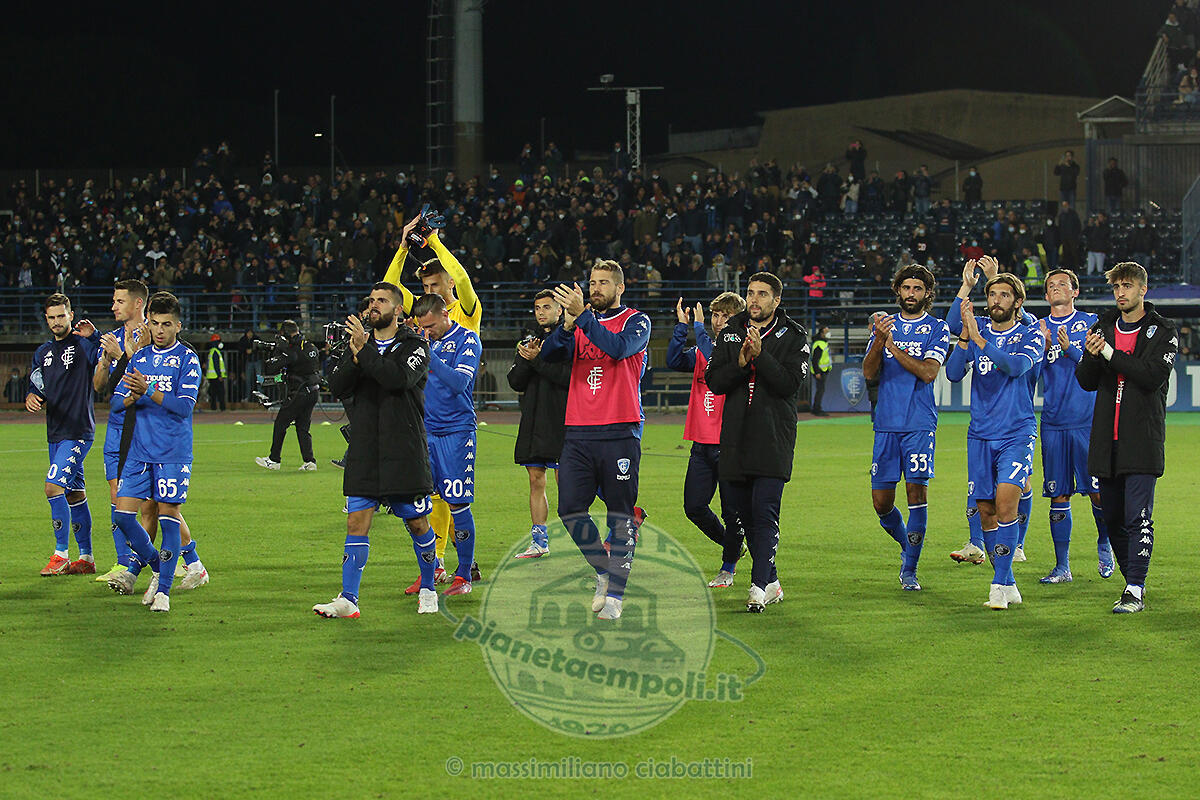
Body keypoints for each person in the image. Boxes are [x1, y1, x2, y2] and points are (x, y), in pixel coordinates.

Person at [313, 282, 439, 617]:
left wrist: (363, 351)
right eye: (371, 300)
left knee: (417, 523)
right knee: (356, 522)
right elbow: (338, 385)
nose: (374, 305)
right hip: (366, 448)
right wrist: (356, 354)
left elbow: (397, 379)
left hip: (404, 449)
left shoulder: (415, 345)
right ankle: (348, 599)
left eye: (381, 300)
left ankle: (428, 587)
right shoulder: (358, 345)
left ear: (398, 310)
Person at [540, 260, 651, 621]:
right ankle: (604, 569)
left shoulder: (637, 321)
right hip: (578, 430)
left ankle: (615, 595)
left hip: (620, 430)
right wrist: (566, 325)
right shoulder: (579, 323)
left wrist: (583, 318)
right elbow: (549, 354)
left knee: (620, 515)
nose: (596, 288)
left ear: (620, 288)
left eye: (604, 282)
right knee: (570, 509)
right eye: (592, 282)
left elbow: (618, 349)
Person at [383, 211, 482, 579]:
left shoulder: (466, 313)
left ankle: (459, 564)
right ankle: (438, 564)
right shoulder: (425, 315)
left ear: (449, 284)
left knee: (452, 499)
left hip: (454, 419)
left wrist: (435, 242)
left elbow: (464, 280)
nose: (429, 293)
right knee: (429, 498)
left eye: (435, 285)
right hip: (424, 417)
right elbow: (389, 289)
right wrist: (403, 247)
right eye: (424, 287)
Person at [1076, 262, 1177, 613]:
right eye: (1117, 286)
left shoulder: (1163, 330)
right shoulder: (1103, 326)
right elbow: (1086, 381)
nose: (1121, 292)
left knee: (1138, 517)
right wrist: (1092, 356)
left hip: (1142, 440)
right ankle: (1132, 581)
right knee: (1113, 519)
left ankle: (1135, 587)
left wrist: (1107, 353)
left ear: (1142, 289)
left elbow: (1151, 376)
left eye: (1128, 286)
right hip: (1106, 441)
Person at [706, 272, 809, 613]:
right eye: (751, 293)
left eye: (762, 294)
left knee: (764, 513)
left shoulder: (794, 335)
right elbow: (714, 381)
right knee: (742, 516)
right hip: (734, 438)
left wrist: (761, 356)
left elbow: (790, 385)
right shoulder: (730, 332)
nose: (754, 299)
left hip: (773, 437)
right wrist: (740, 363)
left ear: (776, 300)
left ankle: (758, 587)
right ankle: (772, 582)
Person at [93, 279, 206, 588]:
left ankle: (136, 568)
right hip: (124, 431)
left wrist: (128, 360)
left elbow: (181, 403)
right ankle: (178, 564)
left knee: (156, 507)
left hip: (153, 436)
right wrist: (113, 359)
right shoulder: (121, 341)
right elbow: (107, 389)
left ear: (137, 304)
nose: (114, 307)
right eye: (114, 301)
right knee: (132, 506)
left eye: (120, 301)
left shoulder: (170, 351)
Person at [945, 266, 1044, 610]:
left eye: (1004, 295)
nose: (996, 300)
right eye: (991, 294)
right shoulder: (978, 330)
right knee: (986, 510)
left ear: (1018, 302)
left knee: (1005, 505)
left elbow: (1015, 367)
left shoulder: (1031, 334)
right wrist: (965, 337)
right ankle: (1009, 582)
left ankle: (998, 585)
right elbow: (953, 374)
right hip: (980, 435)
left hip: (1017, 432)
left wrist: (979, 339)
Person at [861, 266, 950, 591]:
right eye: (906, 288)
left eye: (918, 288)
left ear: (927, 293)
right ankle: (906, 544)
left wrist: (893, 346)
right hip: (886, 424)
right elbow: (869, 372)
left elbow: (928, 372)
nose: (911, 294)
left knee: (916, 495)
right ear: (897, 290)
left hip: (918, 424)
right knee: (881, 503)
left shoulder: (937, 328)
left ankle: (910, 570)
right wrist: (879, 341)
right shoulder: (884, 326)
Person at [1034, 268, 1113, 583]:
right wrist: (1042, 348)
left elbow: (1102, 366)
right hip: (1053, 421)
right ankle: (1062, 567)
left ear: (1075, 291)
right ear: (1046, 295)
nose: (1056, 288)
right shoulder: (1038, 328)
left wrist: (1069, 348)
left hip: (1087, 422)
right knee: (1058, 495)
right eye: (1051, 285)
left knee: (1098, 493)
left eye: (1062, 284)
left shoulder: (1091, 323)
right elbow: (1029, 372)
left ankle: (1104, 543)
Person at [399, 293, 481, 595]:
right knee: (415, 505)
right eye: (423, 327)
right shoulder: (422, 341)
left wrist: (428, 354)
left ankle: (464, 576)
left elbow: (459, 383)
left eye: (431, 326)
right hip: (423, 433)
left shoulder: (467, 339)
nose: (428, 332)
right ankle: (431, 569)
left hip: (456, 432)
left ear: (445, 314)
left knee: (457, 503)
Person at [667, 292, 747, 589]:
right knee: (694, 507)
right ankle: (733, 545)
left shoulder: (740, 348)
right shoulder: (704, 349)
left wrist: (698, 328)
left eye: (726, 315)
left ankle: (728, 568)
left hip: (729, 443)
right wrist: (681, 327)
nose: (718, 321)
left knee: (732, 511)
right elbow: (674, 360)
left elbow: (715, 356)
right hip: (701, 442)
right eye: (715, 315)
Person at [26, 293, 101, 576]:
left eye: (62, 316)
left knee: (52, 487)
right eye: (52, 317)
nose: (57, 321)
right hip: (55, 432)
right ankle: (87, 558)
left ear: (71, 315)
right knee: (74, 494)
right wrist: (32, 396)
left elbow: (105, 357)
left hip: (78, 430)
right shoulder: (42, 352)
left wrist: (95, 336)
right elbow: (38, 384)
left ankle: (60, 555)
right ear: (46, 319)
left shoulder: (83, 344)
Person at [507, 290, 571, 559]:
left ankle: (612, 525)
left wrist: (537, 361)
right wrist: (526, 359)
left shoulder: (568, 340)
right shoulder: (529, 341)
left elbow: (568, 378)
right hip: (533, 420)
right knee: (535, 480)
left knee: (568, 486)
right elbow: (515, 382)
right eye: (537, 308)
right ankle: (539, 541)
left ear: (559, 310)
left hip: (560, 421)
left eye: (546, 307)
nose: (541, 312)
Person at [255, 320, 321, 471]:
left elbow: (272, 367)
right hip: (313, 392)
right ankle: (309, 461)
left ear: (285, 334)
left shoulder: (292, 351)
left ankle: (274, 460)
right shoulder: (310, 346)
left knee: (281, 424)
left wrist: (280, 350)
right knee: (303, 427)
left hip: (299, 392)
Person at [810, 324, 832, 415]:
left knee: (820, 390)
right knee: (820, 390)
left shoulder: (823, 343)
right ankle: (816, 409)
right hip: (820, 371)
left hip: (823, 370)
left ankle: (817, 408)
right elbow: (815, 360)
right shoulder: (819, 344)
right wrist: (817, 372)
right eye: (826, 332)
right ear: (821, 333)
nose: (828, 333)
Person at [205, 334, 227, 411]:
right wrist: (219, 375)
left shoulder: (212, 351)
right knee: (221, 393)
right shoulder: (215, 352)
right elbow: (216, 364)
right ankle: (222, 407)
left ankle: (213, 407)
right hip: (216, 376)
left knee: (213, 393)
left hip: (212, 376)